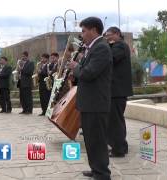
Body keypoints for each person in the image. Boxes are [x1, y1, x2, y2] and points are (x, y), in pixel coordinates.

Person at [69, 17, 112, 180]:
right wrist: (77, 69)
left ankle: (102, 174)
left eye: (84, 31)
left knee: (97, 141)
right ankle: (96, 169)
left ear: (94, 30)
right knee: (91, 140)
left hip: (96, 103)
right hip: (89, 103)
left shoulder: (101, 48)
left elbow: (88, 73)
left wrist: (76, 67)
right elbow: (86, 71)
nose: (82, 34)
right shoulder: (92, 48)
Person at [105, 27, 133, 157]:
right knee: (116, 120)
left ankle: (119, 149)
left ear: (117, 34)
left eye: (109, 35)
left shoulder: (120, 46)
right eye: (106, 35)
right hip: (115, 91)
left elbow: (110, 59)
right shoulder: (116, 46)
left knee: (116, 121)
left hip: (117, 90)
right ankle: (120, 146)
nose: (107, 38)